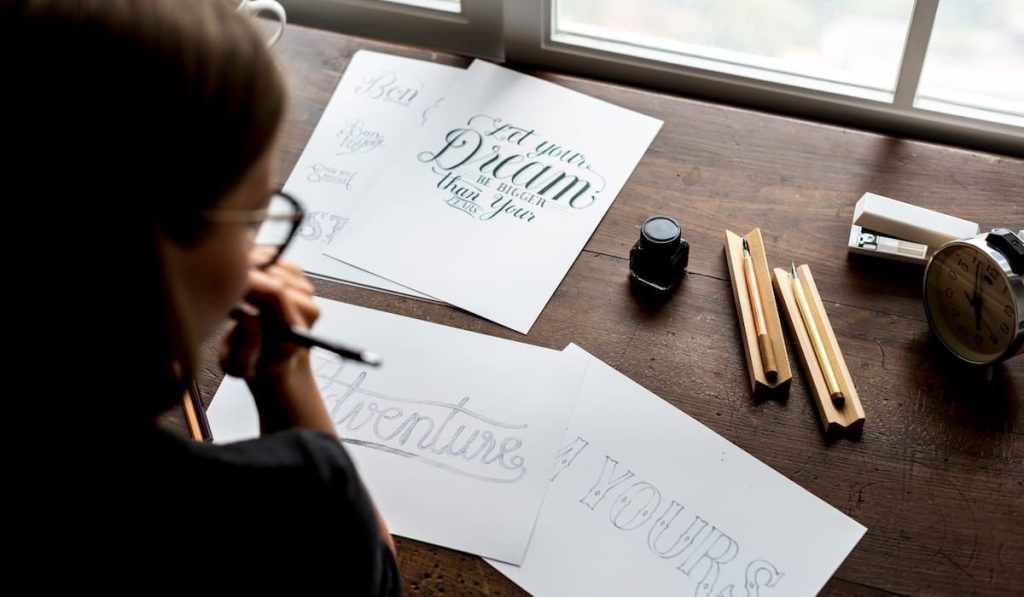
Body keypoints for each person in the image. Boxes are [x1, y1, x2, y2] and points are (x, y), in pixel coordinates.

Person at [5, 0, 398, 591]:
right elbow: (369, 574)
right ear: (159, 242)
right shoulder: (261, 508)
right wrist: (287, 379)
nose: (257, 253)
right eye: (251, 222)